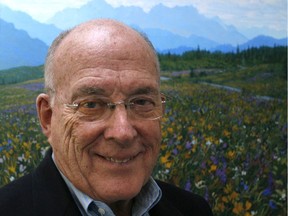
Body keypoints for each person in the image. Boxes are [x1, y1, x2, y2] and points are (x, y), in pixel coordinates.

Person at [0, 19, 213, 216]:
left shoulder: (193, 210)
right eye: (92, 105)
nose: (123, 132)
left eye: (141, 102)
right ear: (48, 117)